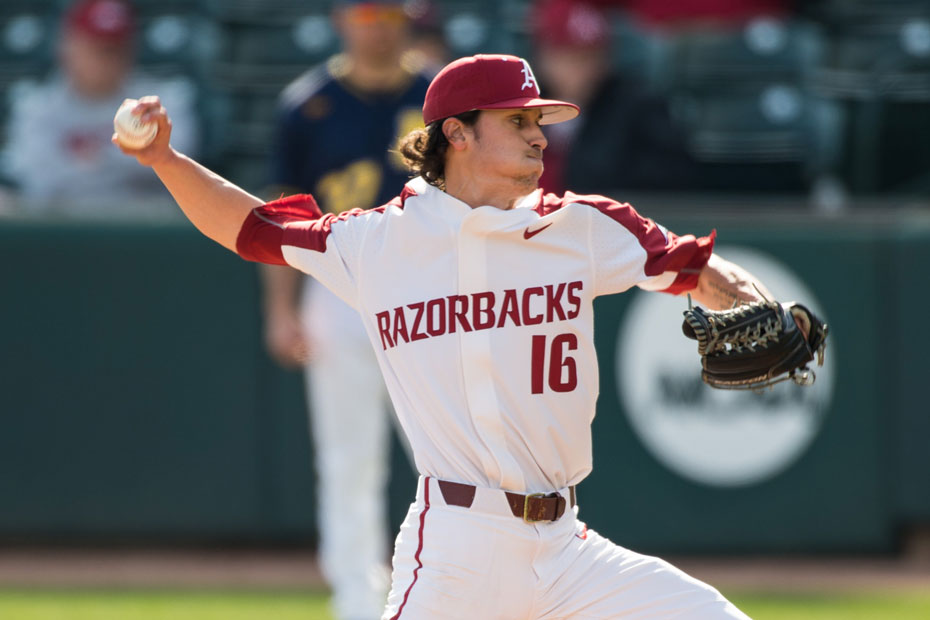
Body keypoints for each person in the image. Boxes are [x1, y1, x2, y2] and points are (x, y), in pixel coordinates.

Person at [115, 54, 784, 618]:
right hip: (454, 551)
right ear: (458, 134)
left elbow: (692, 265)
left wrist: (758, 305)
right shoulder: (377, 241)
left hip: (567, 551)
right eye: (517, 121)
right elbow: (252, 228)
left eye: (539, 122)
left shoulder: (581, 228)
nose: (538, 137)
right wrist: (165, 159)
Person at [261, 2, 429, 618]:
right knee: (346, 458)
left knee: (445, 454)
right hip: (334, 287)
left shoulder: (437, 97)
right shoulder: (307, 105)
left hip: (426, 292)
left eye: (387, 10)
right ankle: (356, 601)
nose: (376, 23)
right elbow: (279, 217)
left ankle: (452, 585)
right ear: (340, 20)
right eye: (364, 10)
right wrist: (282, 310)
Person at [1, 0, 197, 217]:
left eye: (115, 49)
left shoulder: (159, 102)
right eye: (96, 48)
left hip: (140, 227)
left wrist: (87, 160)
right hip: (59, 226)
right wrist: (122, 162)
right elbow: (35, 177)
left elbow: (179, 166)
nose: (106, 59)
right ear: (67, 46)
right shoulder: (36, 106)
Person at [532, 0, 696, 196]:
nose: (582, 70)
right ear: (544, 57)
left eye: (591, 56)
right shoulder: (523, 107)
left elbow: (668, 180)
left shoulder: (638, 108)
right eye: (569, 57)